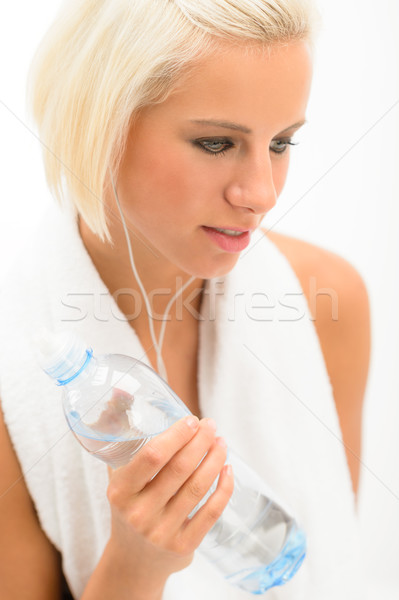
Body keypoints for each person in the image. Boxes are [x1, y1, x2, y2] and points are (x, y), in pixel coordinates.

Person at [0, 1, 371, 599]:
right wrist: (137, 564)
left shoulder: (327, 304)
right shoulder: (11, 389)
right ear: (102, 125)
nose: (261, 194)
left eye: (281, 143)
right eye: (217, 143)